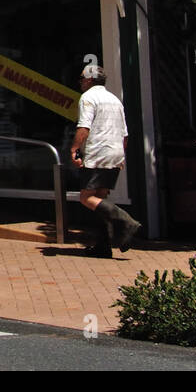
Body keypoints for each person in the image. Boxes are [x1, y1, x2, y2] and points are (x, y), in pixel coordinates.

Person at [70, 63, 140, 256]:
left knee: (87, 198)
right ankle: (103, 246)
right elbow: (124, 134)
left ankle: (126, 222)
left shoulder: (88, 97)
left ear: (90, 80)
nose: (81, 83)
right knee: (100, 199)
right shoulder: (114, 99)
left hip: (98, 153)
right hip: (115, 152)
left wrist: (75, 149)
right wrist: (121, 155)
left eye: (82, 79)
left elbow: (84, 127)